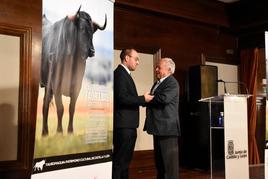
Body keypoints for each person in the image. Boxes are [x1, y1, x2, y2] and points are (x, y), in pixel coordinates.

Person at [113, 48, 154, 179]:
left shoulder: (125, 74)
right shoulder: (119, 73)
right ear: (126, 58)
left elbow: (127, 98)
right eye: (136, 59)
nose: (138, 62)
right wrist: (142, 98)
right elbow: (122, 98)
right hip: (123, 126)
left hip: (128, 125)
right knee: (119, 163)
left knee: (125, 163)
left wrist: (144, 100)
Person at [144, 57, 180, 179]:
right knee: (160, 165)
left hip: (167, 129)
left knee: (169, 167)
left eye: (159, 67)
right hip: (159, 128)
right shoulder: (158, 83)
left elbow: (163, 98)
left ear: (169, 69)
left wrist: (147, 98)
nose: (156, 69)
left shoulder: (172, 82)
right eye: (156, 67)